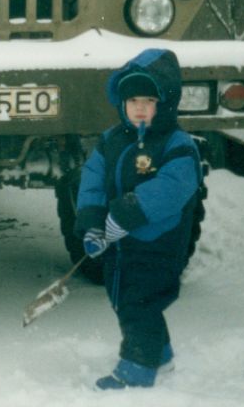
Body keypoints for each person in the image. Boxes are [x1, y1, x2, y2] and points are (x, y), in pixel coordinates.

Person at [75, 47, 202, 390]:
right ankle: (159, 353)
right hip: (120, 246)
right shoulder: (111, 140)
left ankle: (137, 368)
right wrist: (93, 222)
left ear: (165, 103)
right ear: (122, 104)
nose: (140, 108)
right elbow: (92, 180)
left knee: (139, 302)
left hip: (158, 244)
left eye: (148, 100)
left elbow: (173, 188)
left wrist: (126, 214)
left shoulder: (178, 145)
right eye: (133, 101)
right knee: (122, 297)